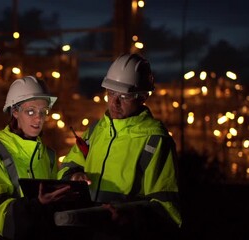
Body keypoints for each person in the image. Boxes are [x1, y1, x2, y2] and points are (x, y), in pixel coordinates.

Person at [57, 53, 182, 239]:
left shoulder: (155, 140)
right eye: (111, 93)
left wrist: (130, 217)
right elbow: (68, 166)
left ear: (142, 97)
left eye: (124, 96)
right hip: (86, 231)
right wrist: (73, 176)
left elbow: (166, 208)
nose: (114, 103)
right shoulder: (97, 130)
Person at [0, 76, 70, 240]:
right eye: (31, 111)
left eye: (43, 112)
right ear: (15, 112)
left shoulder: (49, 155)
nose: (39, 118)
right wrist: (37, 204)